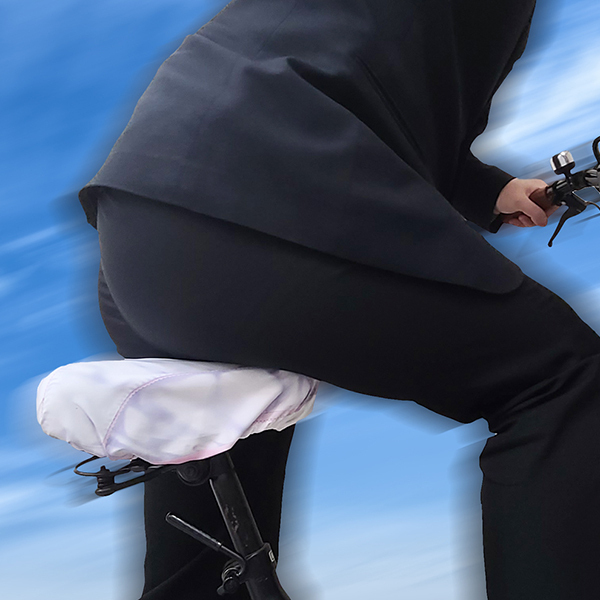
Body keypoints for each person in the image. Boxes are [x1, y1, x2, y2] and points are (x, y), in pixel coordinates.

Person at [79, 1, 600, 598]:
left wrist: (489, 190)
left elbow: (369, 71)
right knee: (561, 379)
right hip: (261, 200)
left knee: (223, 443)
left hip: (141, 231)